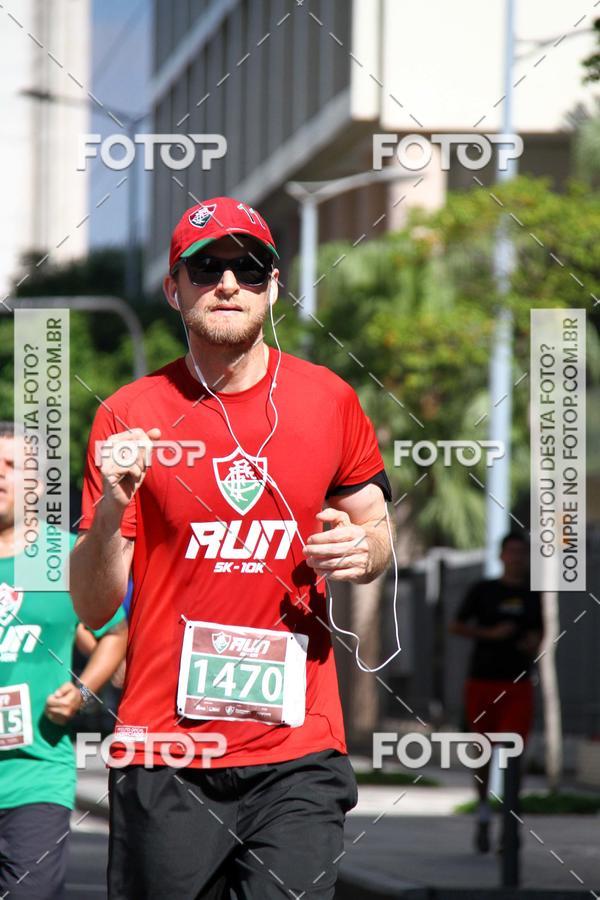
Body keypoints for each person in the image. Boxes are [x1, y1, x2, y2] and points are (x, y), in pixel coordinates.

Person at [70, 196, 394, 899]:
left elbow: (375, 526)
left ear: (273, 286)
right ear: (173, 288)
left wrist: (364, 550)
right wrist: (113, 510)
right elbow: (94, 607)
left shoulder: (329, 400)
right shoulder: (128, 415)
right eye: (205, 268)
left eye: (248, 269)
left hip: (297, 750)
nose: (227, 284)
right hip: (166, 749)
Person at [0, 421, 128, 899]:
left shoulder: (61, 557)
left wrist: (82, 691)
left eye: (11, 465)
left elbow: (114, 633)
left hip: (35, 777)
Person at [449, 532, 544, 854]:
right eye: (511, 551)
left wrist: (532, 643)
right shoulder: (483, 590)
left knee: (515, 753)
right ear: (501, 555)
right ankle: (483, 814)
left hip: (518, 683)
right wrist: (489, 633)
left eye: (522, 552)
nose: (516, 558)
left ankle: (510, 826)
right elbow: (456, 625)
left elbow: (541, 632)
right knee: (482, 752)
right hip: (482, 681)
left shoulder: (534, 595)